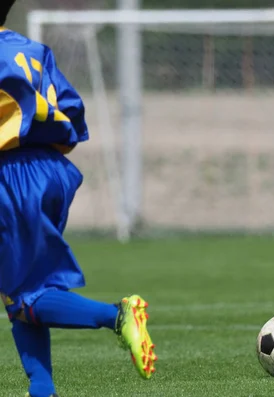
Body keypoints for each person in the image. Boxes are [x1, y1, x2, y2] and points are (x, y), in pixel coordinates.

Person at [0, 2, 156, 395]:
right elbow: (71, 114)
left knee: (26, 294)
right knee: (20, 288)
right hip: (48, 169)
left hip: (11, 174)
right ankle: (42, 388)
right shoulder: (32, 50)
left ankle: (118, 316)